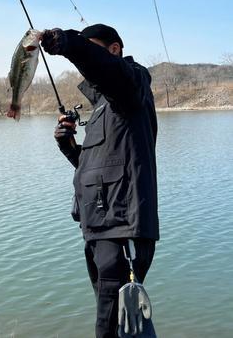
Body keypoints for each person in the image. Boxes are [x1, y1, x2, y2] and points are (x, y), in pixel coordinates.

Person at [40, 24, 159, 338]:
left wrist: (71, 44)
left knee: (110, 327)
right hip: (100, 228)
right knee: (116, 324)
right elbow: (94, 169)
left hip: (122, 229)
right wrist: (68, 147)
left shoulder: (132, 83)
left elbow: (108, 71)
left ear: (114, 50)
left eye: (92, 50)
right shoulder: (103, 108)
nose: (87, 60)